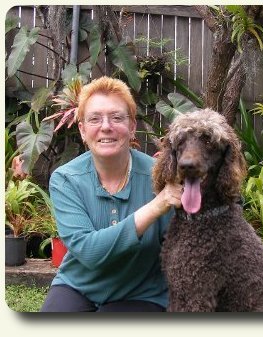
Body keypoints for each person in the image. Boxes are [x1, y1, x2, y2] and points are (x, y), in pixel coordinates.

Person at [40, 76, 182, 312]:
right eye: (95, 119)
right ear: (83, 131)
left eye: (117, 117)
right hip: (79, 286)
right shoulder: (65, 179)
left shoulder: (161, 177)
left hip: (141, 292)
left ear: (132, 127)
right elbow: (88, 251)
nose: (106, 126)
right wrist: (156, 206)